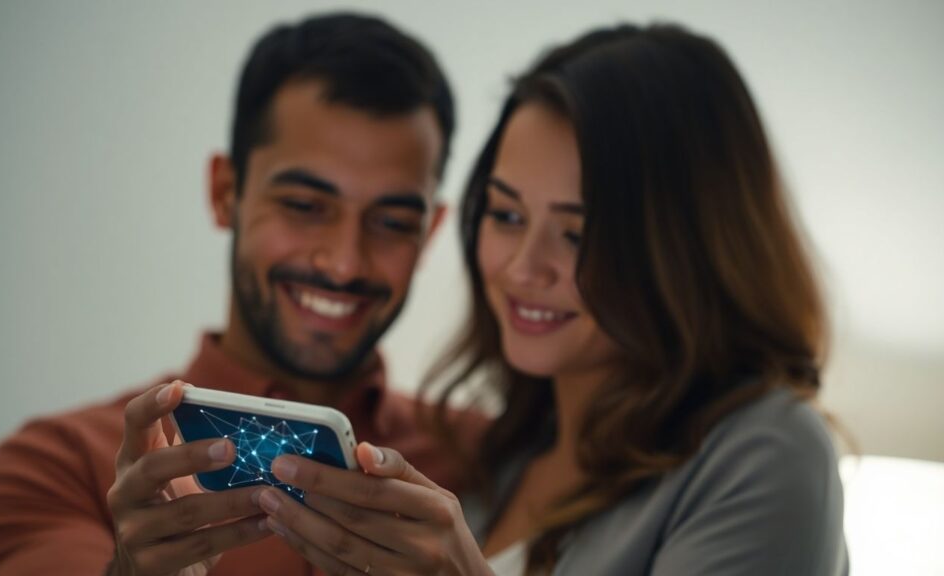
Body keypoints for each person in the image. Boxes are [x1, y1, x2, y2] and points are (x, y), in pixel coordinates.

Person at [246, 23, 849, 575]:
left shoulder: (766, 453)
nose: (522, 268)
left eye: (578, 233)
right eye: (507, 214)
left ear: (687, 246)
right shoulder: (499, 452)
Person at [0, 12, 482, 576]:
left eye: (391, 221)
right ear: (224, 191)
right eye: (305, 206)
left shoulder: (499, 459)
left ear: (430, 232)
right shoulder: (53, 467)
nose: (343, 263)